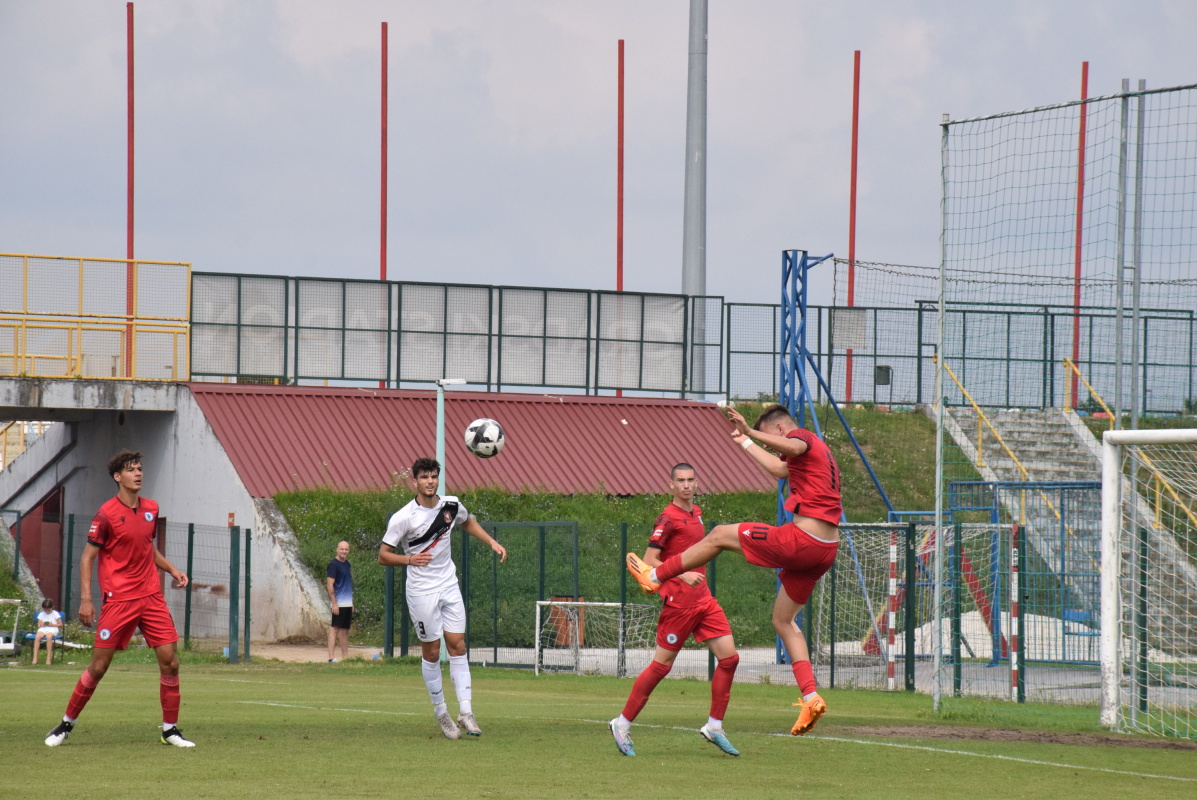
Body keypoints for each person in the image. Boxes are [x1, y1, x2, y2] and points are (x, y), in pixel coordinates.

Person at [628, 403, 841, 736]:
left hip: (804, 539)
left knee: (719, 534)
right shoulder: (812, 458)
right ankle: (811, 697)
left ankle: (653, 574)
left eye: (772, 437)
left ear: (781, 429)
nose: (774, 446)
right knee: (783, 621)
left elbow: (793, 446)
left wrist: (752, 431)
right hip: (825, 549)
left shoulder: (801, 437)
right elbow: (779, 469)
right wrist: (745, 441)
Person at [44, 450, 193, 747]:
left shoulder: (151, 508)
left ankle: (170, 730)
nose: (138, 473)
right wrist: (87, 600)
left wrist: (173, 569)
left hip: (151, 596)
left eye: (139, 468)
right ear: (117, 477)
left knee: (171, 662)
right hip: (119, 599)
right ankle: (65, 725)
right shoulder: (106, 514)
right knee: (99, 666)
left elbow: (146, 548)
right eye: (131, 470)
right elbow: (87, 558)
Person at [609, 463, 740, 758]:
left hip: (704, 600)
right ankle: (622, 723)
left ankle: (714, 726)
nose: (686, 485)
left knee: (730, 659)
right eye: (680, 480)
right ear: (671, 485)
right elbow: (649, 560)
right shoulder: (667, 519)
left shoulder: (697, 514)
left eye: (691, 479)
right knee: (661, 667)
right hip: (678, 604)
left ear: (697, 483)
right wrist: (681, 574)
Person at [378, 457, 507, 740]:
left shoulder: (450, 505)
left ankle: (466, 712)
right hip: (422, 591)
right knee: (433, 652)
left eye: (433, 476)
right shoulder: (404, 517)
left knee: (458, 645)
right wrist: (410, 559)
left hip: (449, 584)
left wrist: (491, 542)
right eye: (424, 477)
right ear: (414, 481)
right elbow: (383, 555)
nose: (430, 481)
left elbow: (467, 522)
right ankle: (442, 713)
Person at [326, 541, 353, 662]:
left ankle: (345, 657)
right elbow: (330, 584)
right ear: (337, 550)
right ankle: (331, 658)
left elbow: (347, 584)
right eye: (342, 549)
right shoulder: (333, 564)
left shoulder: (347, 564)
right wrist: (334, 603)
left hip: (347, 603)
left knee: (345, 630)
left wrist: (351, 603)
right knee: (335, 628)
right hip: (339, 603)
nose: (344, 551)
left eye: (346, 549)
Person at [31, 598, 63, 666]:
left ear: (52, 607)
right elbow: (39, 625)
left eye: (48, 610)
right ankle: (35, 658)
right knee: (37, 637)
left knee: (49, 637)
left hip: (52, 628)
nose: (47, 612)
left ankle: (48, 658)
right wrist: (41, 624)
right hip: (43, 628)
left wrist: (52, 624)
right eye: (45, 610)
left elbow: (60, 624)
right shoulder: (41, 614)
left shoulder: (55, 614)